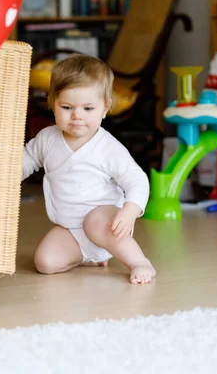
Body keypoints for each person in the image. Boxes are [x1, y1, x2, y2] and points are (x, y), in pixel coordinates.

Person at [21, 54, 156, 285]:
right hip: (70, 228)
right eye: (67, 107)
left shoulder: (107, 147)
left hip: (108, 225)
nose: (77, 116)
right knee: (45, 263)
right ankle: (91, 256)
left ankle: (139, 261)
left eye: (88, 108)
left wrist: (130, 211)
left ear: (105, 108)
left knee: (95, 221)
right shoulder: (47, 139)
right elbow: (26, 160)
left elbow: (137, 179)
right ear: (53, 102)